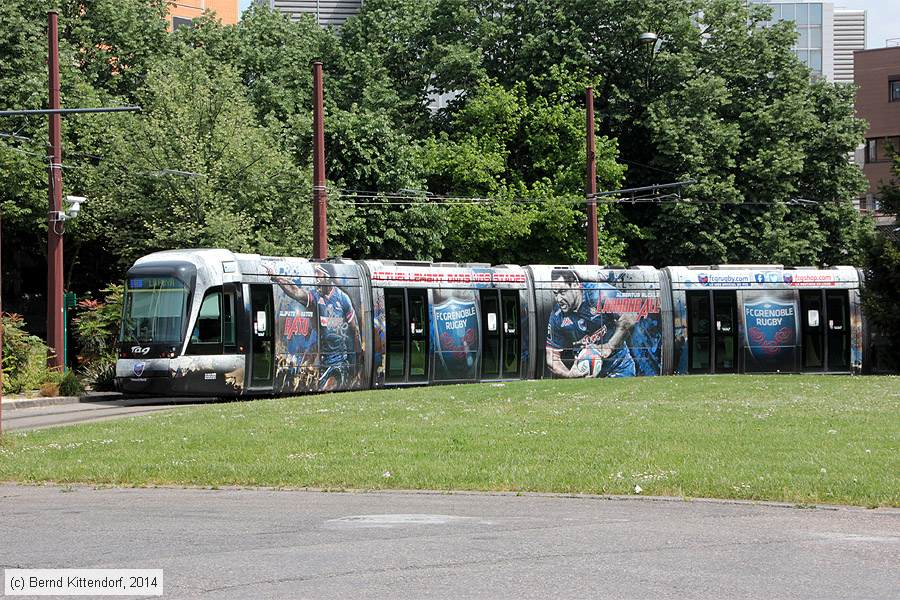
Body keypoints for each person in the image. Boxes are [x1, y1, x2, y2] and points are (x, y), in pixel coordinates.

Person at [267, 263, 363, 390]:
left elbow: (355, 330)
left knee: (330, 388)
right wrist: (276, 278)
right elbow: (296, 291)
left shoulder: (342, 298)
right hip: (324, 359)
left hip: (341, 360)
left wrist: (356, 359)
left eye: (319, 275)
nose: (316, 278)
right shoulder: (315, 296)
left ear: (328, 277)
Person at [545, 269, 636, 378]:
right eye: (555, 294)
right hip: (587, 376)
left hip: (620, 367)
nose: (559, 299)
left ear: (575, 285)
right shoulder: (557, 316)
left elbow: (630, 316)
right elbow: (551, 356)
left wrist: (610, 346)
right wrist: (569, 374)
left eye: (562, 292)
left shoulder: (599, 293)